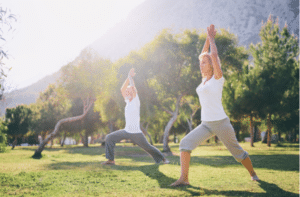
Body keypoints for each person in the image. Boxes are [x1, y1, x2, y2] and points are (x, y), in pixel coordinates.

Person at [171, 24, 259, 186]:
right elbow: (202, 55)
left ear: (212, 65)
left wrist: (211, 38)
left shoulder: (217, 78)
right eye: (201, 63)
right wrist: (206, 38)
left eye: (204, 63)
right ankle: (184, 179)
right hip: (206, 124)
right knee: (185, 144)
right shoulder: (203, 80)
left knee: (238, 153)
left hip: (221, 123)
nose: (201, 64)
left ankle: (253, 173)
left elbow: (213, 54)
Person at [101, 68, 170, 165]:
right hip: (126, 131)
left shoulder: (136, 101)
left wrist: (130, 78)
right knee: (109, 138)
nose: (127, 93)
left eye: (130, 91)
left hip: (136, 133)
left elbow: (133, 88)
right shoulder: (127, 102)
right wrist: (127, 79)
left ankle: (163, 159)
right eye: (127, 92)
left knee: (148, 147)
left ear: (134, 93)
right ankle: (111, 160)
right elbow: (122, 89)